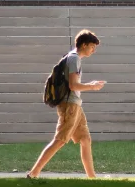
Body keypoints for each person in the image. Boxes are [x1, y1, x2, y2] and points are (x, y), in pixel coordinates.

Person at [27, 29, 106, 179]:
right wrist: (92, 86)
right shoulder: (74, 59)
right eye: (92, 47)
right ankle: (33, 173)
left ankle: (92, 178)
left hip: (75, 105)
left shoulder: (71, 58)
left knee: (85, 139)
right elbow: (73, 85)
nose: (93, 50)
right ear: (83, 45)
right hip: (70, 106)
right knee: (60, 140)